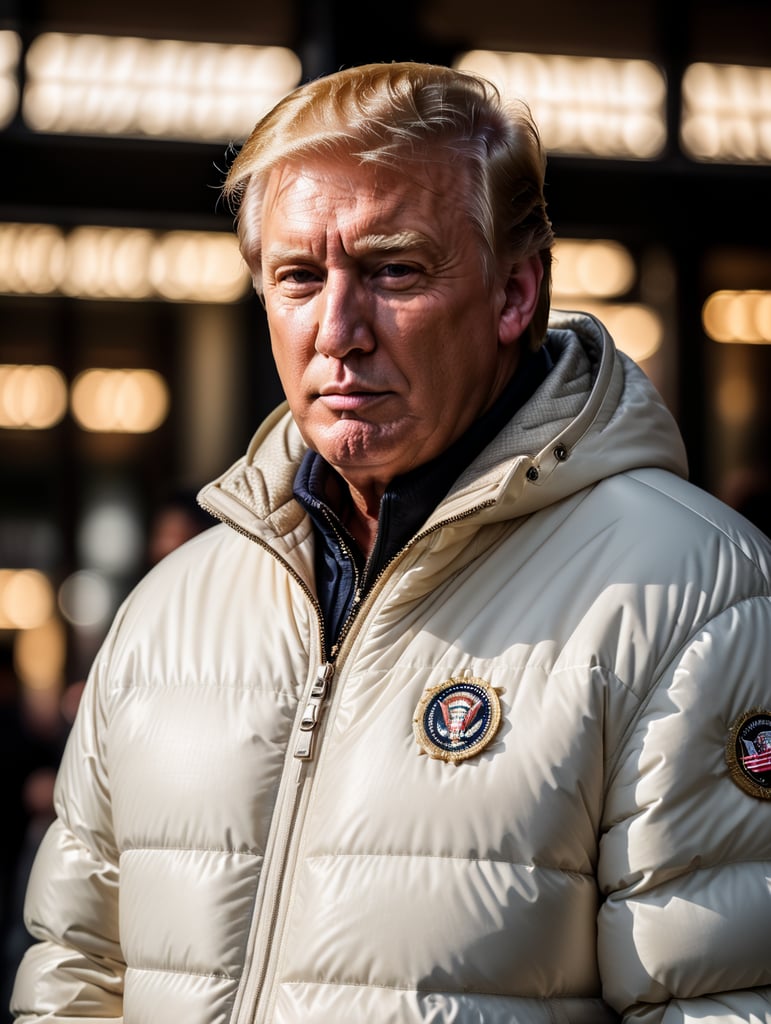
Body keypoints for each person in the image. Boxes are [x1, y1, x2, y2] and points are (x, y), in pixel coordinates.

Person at [10, 61, 771, 1024]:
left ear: (513, 293)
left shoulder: (693, 593)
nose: (338, 330)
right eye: (296, 277)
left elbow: (721, 1001)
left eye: (393, 270)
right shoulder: (173, 608)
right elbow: (76, 972)